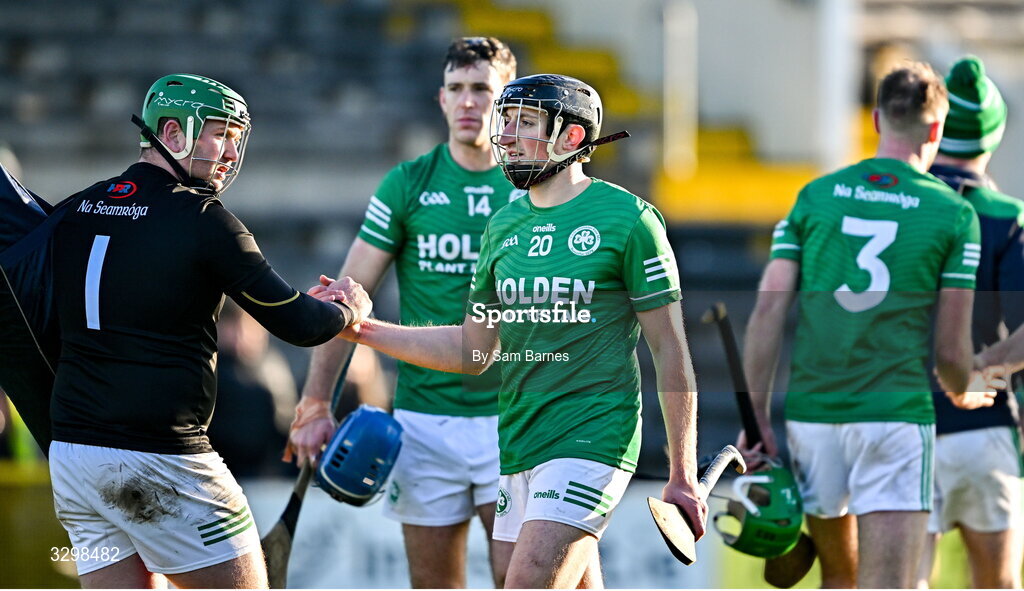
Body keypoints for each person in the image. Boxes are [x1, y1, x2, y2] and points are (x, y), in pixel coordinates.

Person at [326, 73, 704, 589]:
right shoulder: (503, 226)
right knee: (517, 573)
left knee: (526, 582)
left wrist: (681, 471)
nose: (503, 135)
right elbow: (473, 349)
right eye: (503, 121)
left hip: (594, 433)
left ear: (571, 137)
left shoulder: (630, 220)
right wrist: (361, 331)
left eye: (523, 122)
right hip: (520, 439)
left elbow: (670, 348)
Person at [46, 73, 370, 589]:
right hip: (164, 458)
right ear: (172, 134)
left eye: (237, 139)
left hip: (74, 456)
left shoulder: (74, 207)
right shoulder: (203, 218)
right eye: (219, 133)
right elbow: (299, 323)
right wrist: (348, 308)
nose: (230, 153)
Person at [286, 36, 519, 588]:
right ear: (441, 99)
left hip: (514, 418)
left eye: (483, 90)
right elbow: (347, 300)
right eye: (457, 90)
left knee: (523, 580)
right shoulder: (407, 183)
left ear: (508, 102)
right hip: (423, 421)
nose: (469, 103)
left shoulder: (531, 188)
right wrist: (316, 401)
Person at [739, 62, 982, 589]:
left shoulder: (815, 195)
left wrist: (757, 415)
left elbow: (767, 310)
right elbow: (950, 354)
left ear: (876, 119)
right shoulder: (953, 213)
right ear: (937, 129)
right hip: (894, 419)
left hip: (813, 419)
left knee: (839, 579)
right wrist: (968, 389)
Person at [916, 56, 1023, 590]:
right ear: (993, 133)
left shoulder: (900, 206)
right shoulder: (1006, 215)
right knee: (998, 585)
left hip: (906, 426)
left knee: (903, 581)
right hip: (985, 424)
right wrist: (980, 369)